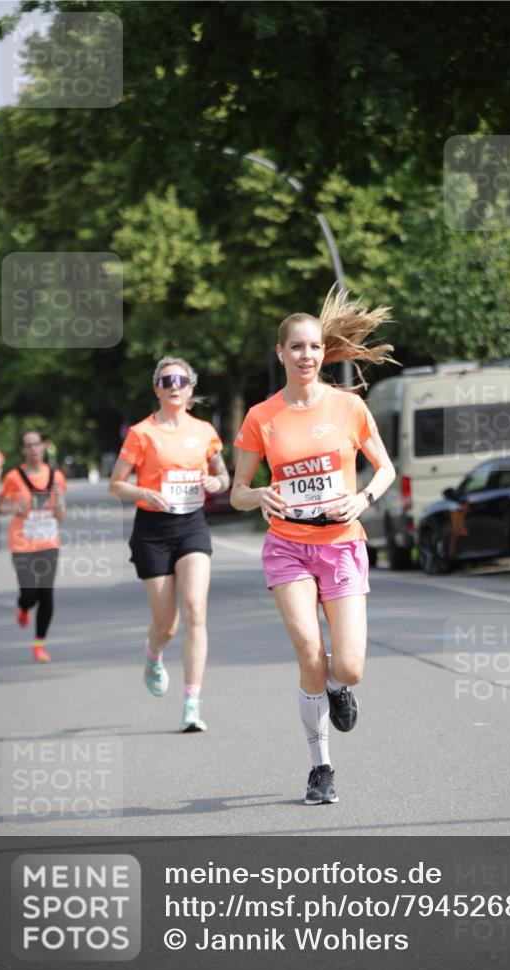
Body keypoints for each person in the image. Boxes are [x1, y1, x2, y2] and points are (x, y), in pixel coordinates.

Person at [231, 288, 397, 805]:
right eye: (296, 347)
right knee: (308, 652)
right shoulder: (262, 416)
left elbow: (386, 468)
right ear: (280, 353)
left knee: (347, 667)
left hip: (343, 543)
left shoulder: (349, 407)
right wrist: (258, 492)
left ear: (324, 353)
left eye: (314, 347)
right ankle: (320, 766)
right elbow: (236, 493)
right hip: (287, 547)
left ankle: (336, 686)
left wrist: (364, 497)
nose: (306, 355)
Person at [109, 356, 229, 732]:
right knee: (167, 624)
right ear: (156, 389)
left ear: (191, 388)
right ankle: (153, 654)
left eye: (180, 380)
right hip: (153, 530)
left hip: (192, 525)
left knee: (195, 609)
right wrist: (144, 490)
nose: (173, 385)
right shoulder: (142, 433)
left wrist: (217, 482)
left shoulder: (205, 431)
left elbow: (222, 473)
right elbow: (116, 484)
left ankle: (192, 704)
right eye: (166, 380)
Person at [0, 430, 67, 663]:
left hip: (48, 541)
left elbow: (61, 516)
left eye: (37, 444)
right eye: (29, 445)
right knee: (29, 593)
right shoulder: (13, 477)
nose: (34, 448)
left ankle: (39, 645)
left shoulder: (55, 476)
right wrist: (11, 509)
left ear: (43, 447)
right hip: (22, 543)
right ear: (23, 450)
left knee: (46, 593)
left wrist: (60, 500)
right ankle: (24, 607)